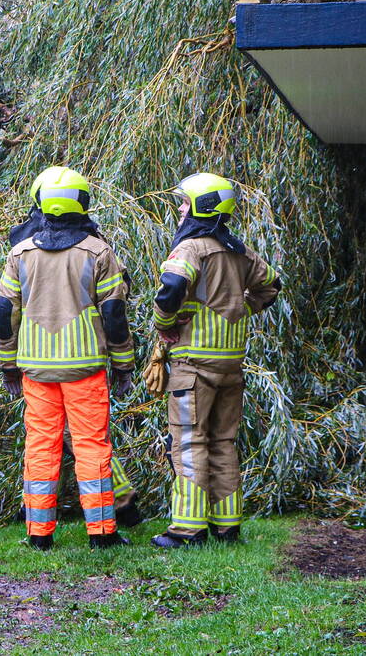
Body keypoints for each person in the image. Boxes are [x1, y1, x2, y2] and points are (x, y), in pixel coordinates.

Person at [0, 166, 135, 550]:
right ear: (82, 202)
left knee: (41, 446)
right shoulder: (98, 252)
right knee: (91, 447)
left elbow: (4, 313)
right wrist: (123, 364)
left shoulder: (19, 253)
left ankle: (39, 534)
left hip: (36, 370)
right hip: (85, 370)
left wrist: (8, 363)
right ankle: (102, 533)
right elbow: (114, 315)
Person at [150, 173, 281, 548]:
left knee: (190, 442)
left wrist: (166, 326)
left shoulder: (190, 248)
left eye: (185, 202)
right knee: (225, 440)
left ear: (201, 207)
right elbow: (272, 285)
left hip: (194, 364)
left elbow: (169, 291)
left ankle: (187, 530)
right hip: (231, 364)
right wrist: (243, 308)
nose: (179, 208)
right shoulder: (240, 251)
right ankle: (228, 526)